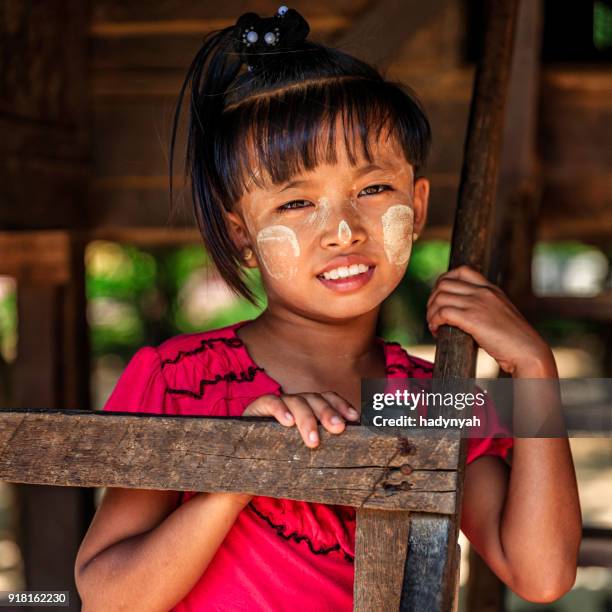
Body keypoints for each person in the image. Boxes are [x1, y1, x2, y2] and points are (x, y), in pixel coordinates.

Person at [75, 6, 581, 611]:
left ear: (417, 206)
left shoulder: (429, 400)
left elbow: (542, 574)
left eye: (372, 190)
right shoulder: (181, 380)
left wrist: (535, 369)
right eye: (295, 203)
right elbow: (109, 598)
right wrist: (244, 471)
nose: (342, 231)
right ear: (241, 233)